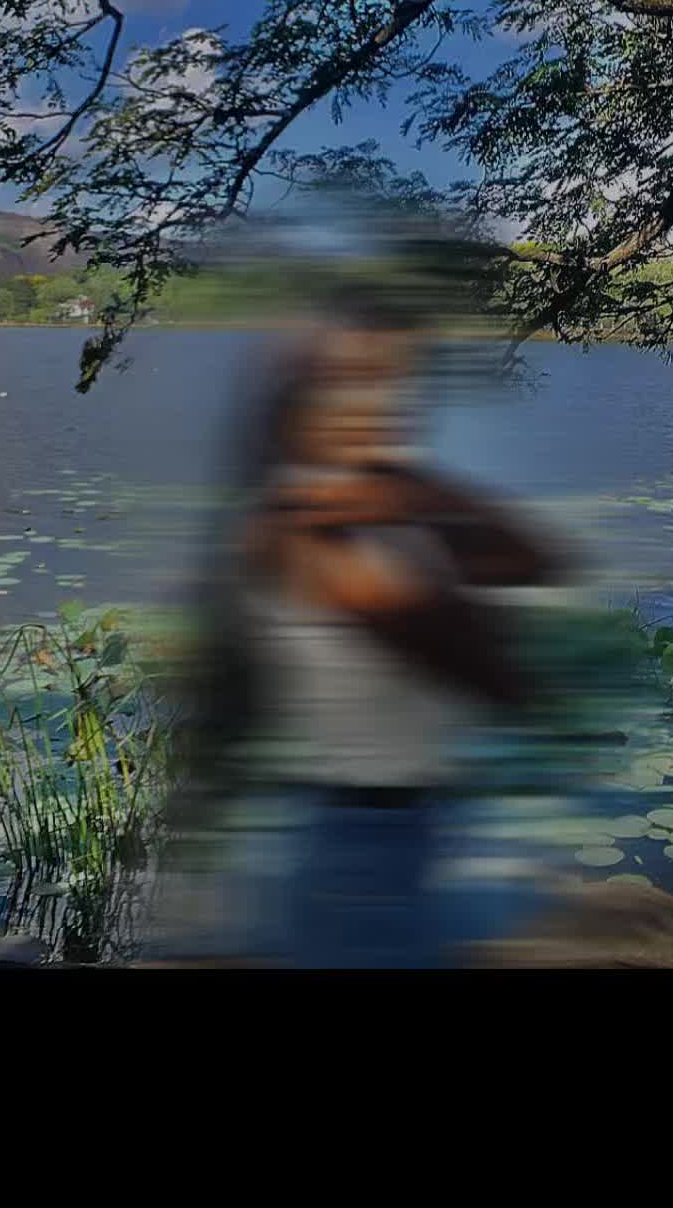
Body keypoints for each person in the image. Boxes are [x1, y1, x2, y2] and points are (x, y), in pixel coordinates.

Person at [169, 288, 574, 970]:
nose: (382, 400)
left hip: (414, 824)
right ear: (295, 403)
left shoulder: (382, 496)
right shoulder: (293, 525)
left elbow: (536, 559)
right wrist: (493, 634)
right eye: (353, 380)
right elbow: (454, 650)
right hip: (353, 842)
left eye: (395, 377)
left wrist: (412, 492)